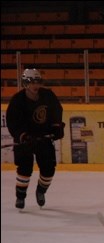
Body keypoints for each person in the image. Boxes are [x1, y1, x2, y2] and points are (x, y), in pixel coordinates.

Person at [6, 68, 65, 210]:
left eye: (37, 82)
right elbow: (13, 122)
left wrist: (56, 128)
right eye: (32, 82)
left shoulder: (48, 96)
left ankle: (41, 191)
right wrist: (23, 136)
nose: (35, 85)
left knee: (49, 169)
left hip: (43, 138)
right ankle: (20, 196)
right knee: (24, 169)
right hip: (25, 140)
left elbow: (57, 112)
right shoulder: (17, 101)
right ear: (25, 83)